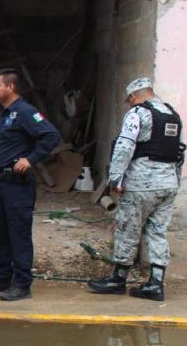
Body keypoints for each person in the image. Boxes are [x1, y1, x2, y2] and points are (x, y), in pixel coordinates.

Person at [87, 77, 183, 301]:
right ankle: (156, 284)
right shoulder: (173, 115)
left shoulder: (138, 113)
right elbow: (179, 151)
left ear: (133, 96)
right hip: (168, 183)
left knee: (127, 228)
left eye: (129, 100)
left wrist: (115, 180)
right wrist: (175, 180)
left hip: (141, 184)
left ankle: (118, 280)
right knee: (157, 231)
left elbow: (124, 146)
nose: (129, 104)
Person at [0, 68, 60, 301]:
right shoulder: (6, 113)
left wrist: (30, 159)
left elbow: (51, 136)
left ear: (10, 87)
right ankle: (2, 276)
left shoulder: (25, 112)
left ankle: (22, 284)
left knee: (18, 234)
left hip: (17, 186)